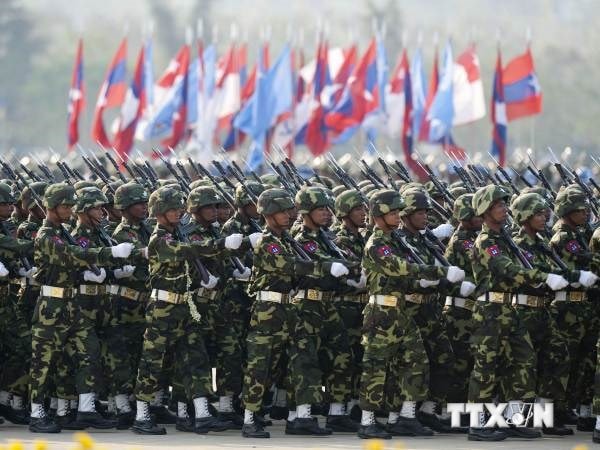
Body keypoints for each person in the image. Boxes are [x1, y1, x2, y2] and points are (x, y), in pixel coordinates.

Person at [132, 186, 244, 435]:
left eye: (178, 207)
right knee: (152, 362)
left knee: (196, 359)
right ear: (160, 212)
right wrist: (221, 243)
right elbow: (186, 251)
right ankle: (142, 415)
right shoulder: (159, 240)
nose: (177, 212)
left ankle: (202, 413)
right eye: (172, 208)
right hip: (163, 308)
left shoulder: (179, 234)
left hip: (186, 306)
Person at [358, 188, 464, 439]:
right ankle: (367, 421)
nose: (397, 216)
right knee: (376, 367)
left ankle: (404, 417)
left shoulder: (397, 240)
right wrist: (439, 273)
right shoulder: (377, 244)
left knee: (417, 362)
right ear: (378, 215)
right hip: (381, 313)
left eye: (398, 211)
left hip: (402, 312)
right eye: (392, 212)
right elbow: (400, 267)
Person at [29, 182, 134, 433]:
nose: (69, 210)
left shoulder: (62, 231)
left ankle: (86, 409)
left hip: (72, 304)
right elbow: (73, 255)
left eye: (70, 206)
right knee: (44, 361)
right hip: (51, 306)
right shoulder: (46, 236)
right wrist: (110, 253)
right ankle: (36, 413)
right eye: (65, 206)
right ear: (52, 207)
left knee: (90, 352)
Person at [468, 185, 569, 441]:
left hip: (509, 309)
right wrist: (544, 277)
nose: (504, 208)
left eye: (504, 204)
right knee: (486, 366)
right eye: (498, 205)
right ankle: (478, 424)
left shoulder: (505, 239)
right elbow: (507, 269)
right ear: (485, 211)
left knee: (524, 362)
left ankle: (515, 418)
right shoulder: (486, 242)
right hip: (489, 310)